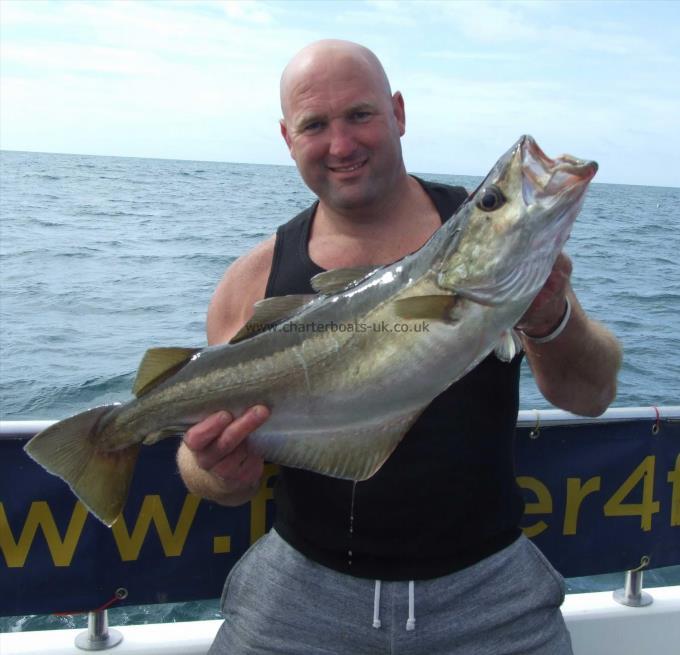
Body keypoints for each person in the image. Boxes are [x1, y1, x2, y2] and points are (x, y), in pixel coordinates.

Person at [177, 39, 622, 654]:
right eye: (315, 125)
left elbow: (592, 396)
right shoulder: (251, 283)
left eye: (360, 115)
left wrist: (551, 317)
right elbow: (209, 476)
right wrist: (214, 469)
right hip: (301, 594)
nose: (341, 144)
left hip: (490, 595)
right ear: (288, 138)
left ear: (399, 114)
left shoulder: (489, 246)